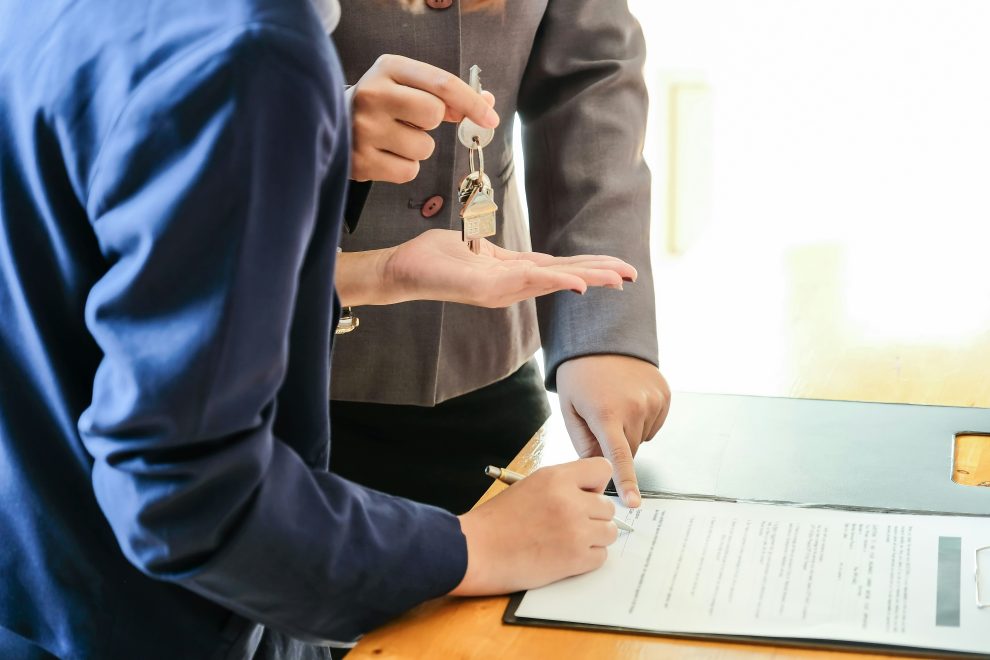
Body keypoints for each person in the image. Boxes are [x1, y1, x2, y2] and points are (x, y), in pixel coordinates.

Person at [0, 1, 636, 657]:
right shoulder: (253, 49)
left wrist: (376, 271)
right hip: (172, 618)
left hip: (44, 578)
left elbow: (97, 279)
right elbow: (187, 492)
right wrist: (475, 545)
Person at [329, 0, 672, 515]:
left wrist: (601, 334)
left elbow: (590, 82)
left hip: (489, 363)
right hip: (266, 372)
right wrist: (317, 128)